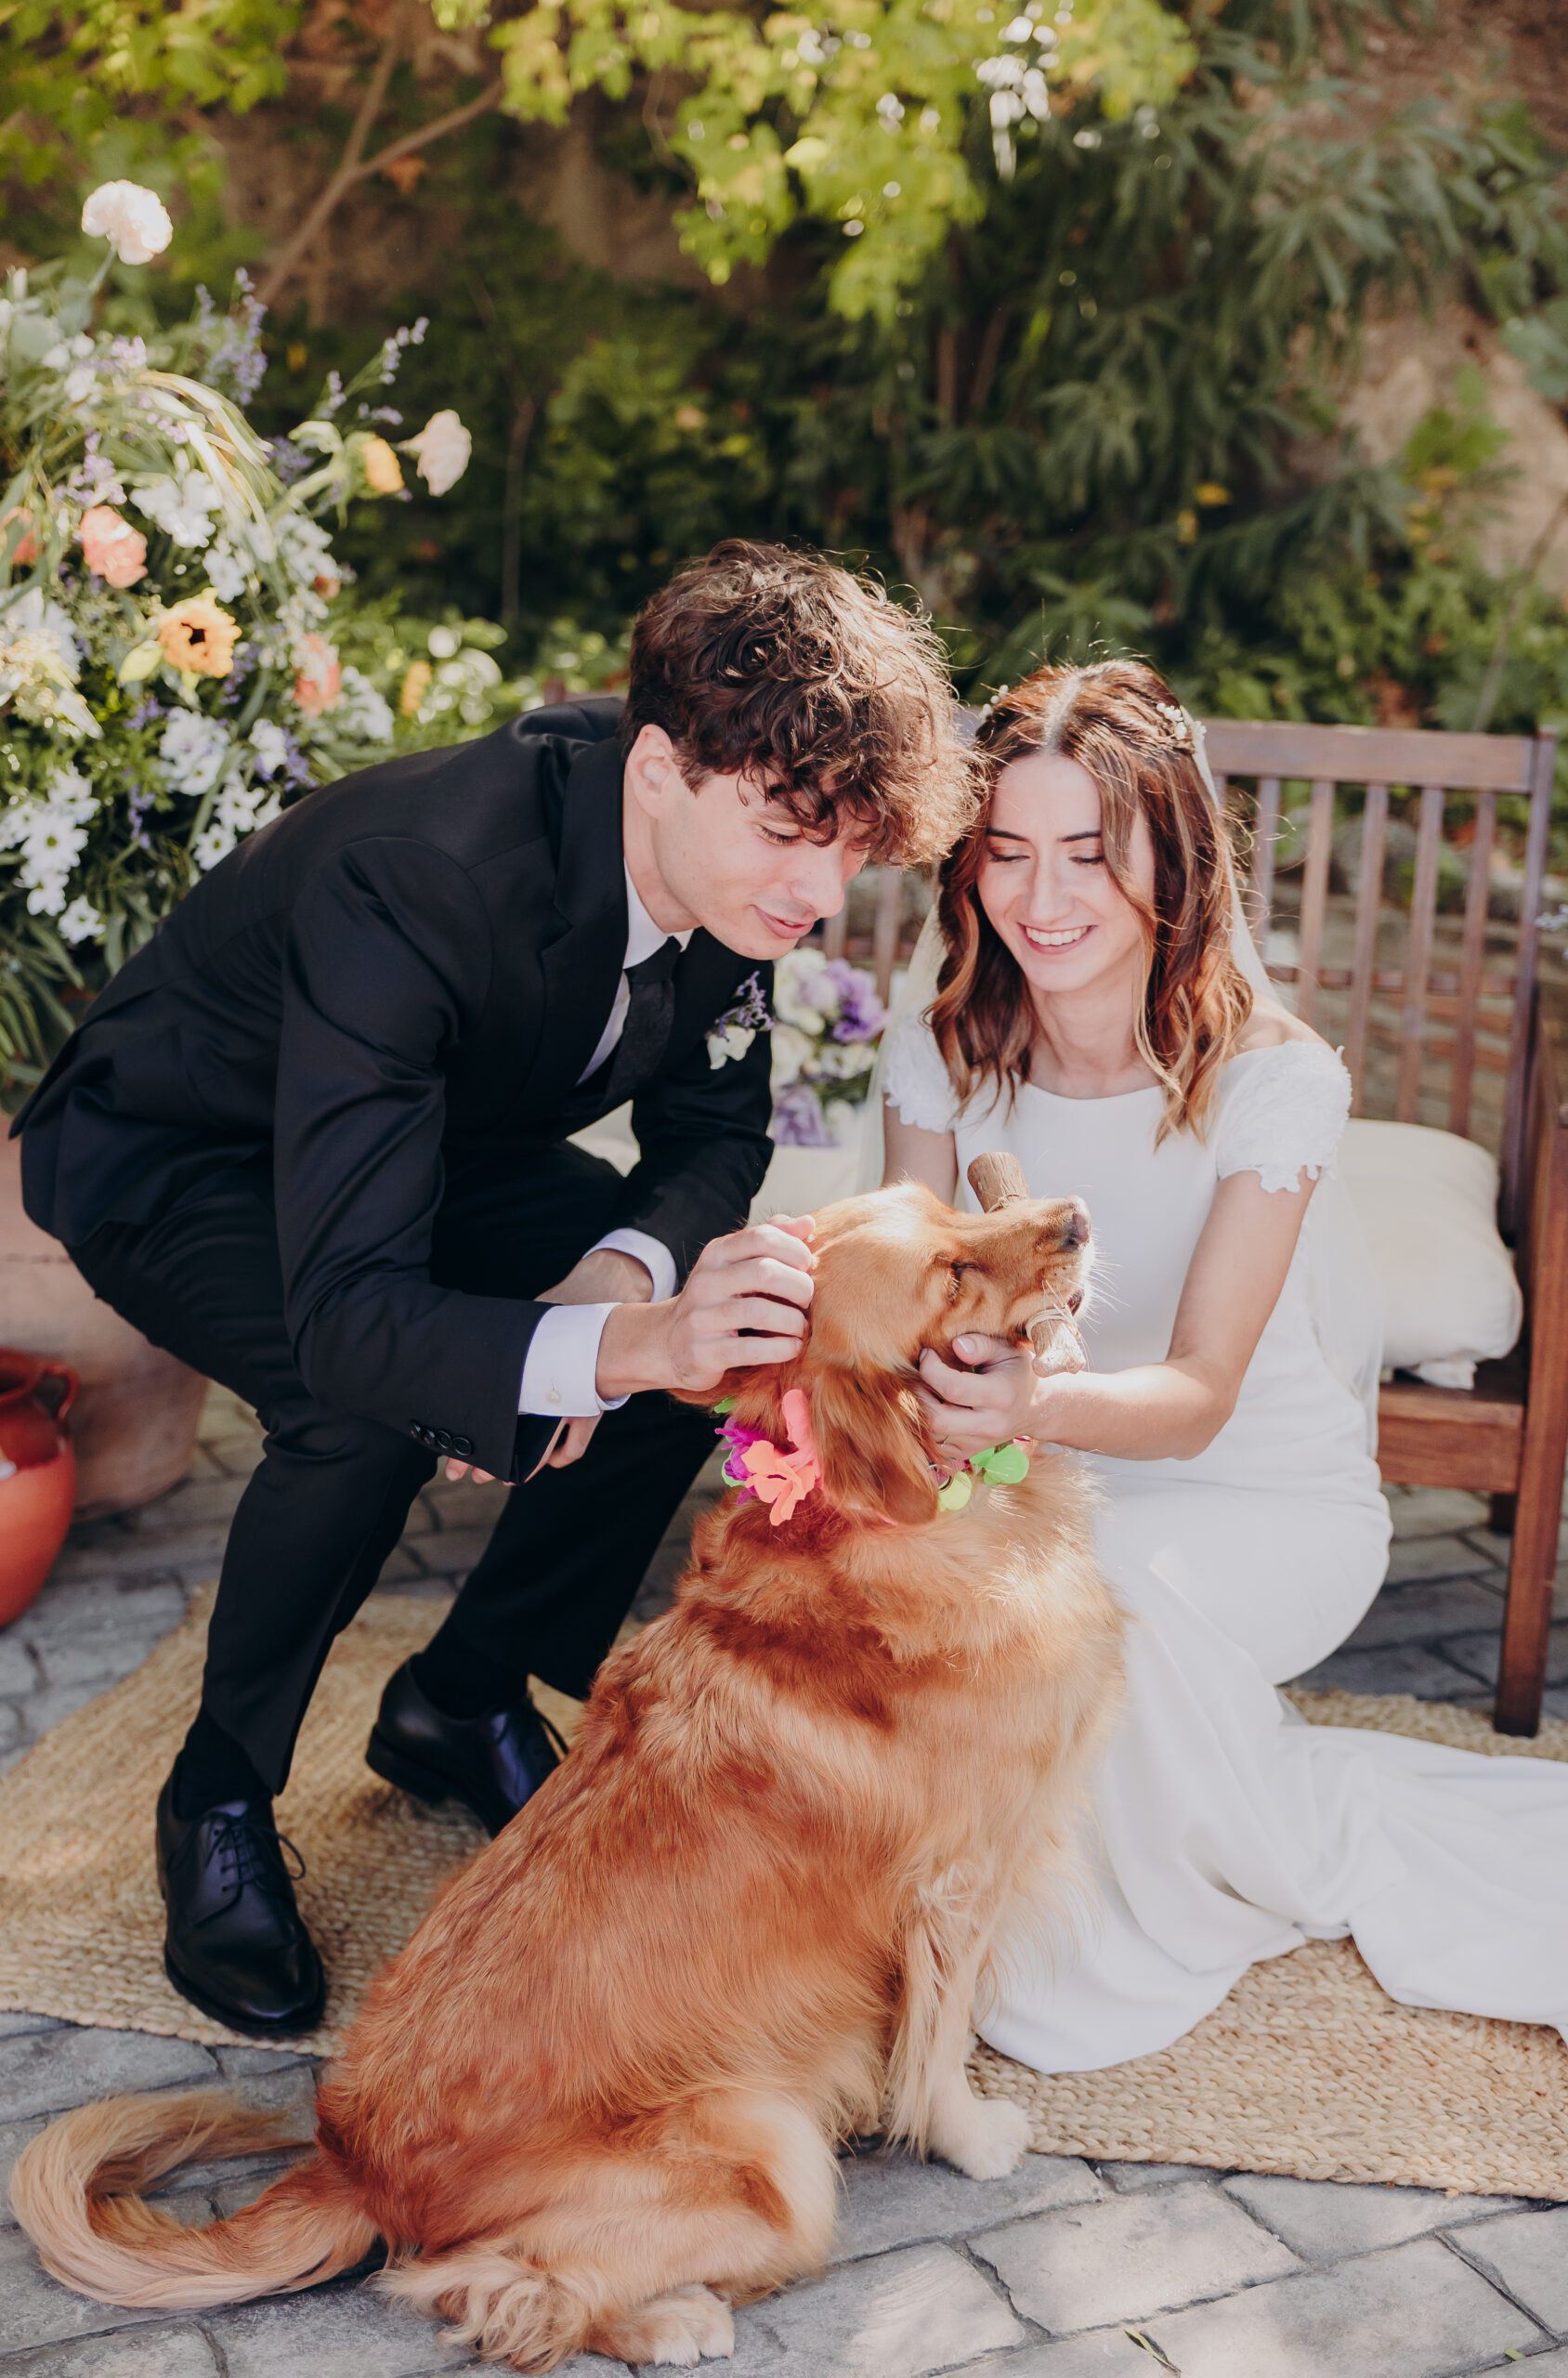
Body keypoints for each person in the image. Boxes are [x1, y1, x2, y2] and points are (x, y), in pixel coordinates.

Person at [12, 539, 977, 2039]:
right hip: (183, 1151)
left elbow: (713, 1138)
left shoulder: (733, 877)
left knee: (704, 1346)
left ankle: (458, 1698)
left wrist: (611, 1303)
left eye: (850, 847)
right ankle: (215, 1797)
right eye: (792, 835)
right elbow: (351, 1315)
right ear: (657, 768)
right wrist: (573, 1347)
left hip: (428, 1136)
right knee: (358, 1410)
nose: (819, 891)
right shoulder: (424, 875)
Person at [880, 657, 1568, 2071]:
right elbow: (914, 1298)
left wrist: (1036, 1403)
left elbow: (1200, 1397)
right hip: (1033, 1478)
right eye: (1006, 853)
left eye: (1090, 853)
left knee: (1093, 1602)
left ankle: (1149, 1899)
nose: (1043, 895)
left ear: (1173, 862)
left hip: (1256, 1504)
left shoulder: (1270, 1078)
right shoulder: (943, 1053)